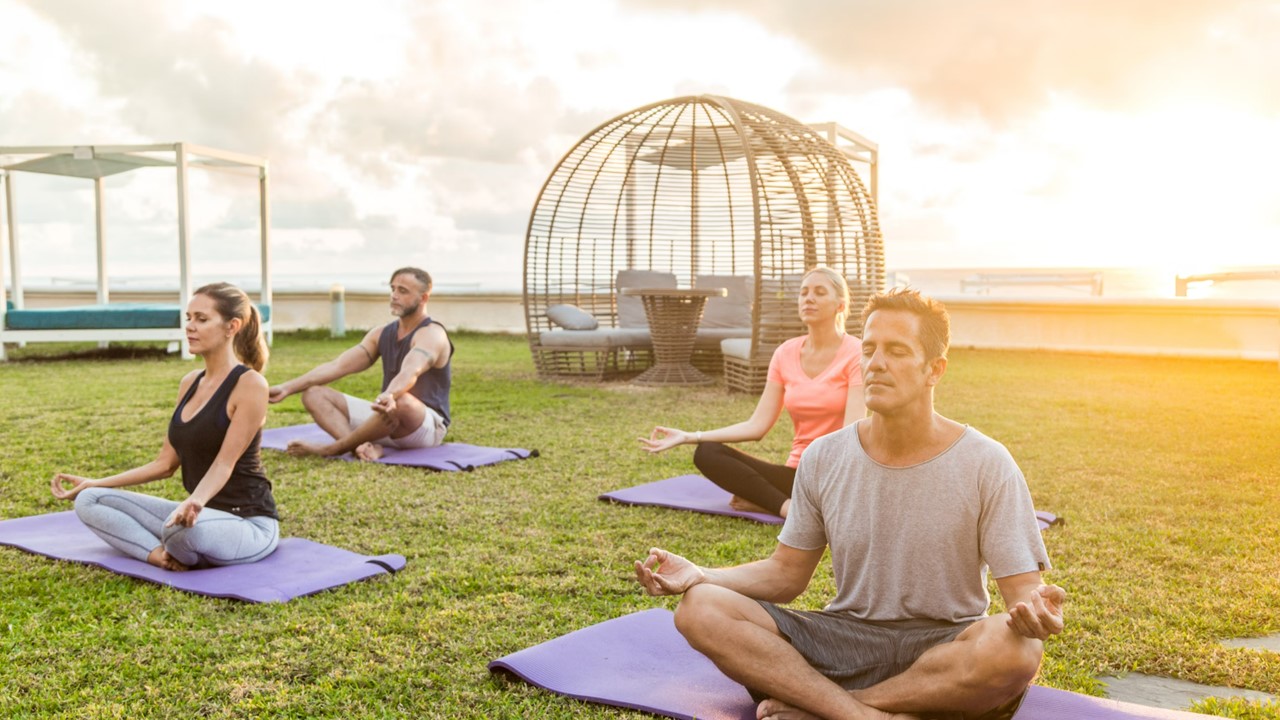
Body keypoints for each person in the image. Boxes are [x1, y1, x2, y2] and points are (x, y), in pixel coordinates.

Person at [634, 288, 1065, 720]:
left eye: (896, 351)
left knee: (1018, 650)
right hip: (844, 637)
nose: (876, 363)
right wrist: (701, 574)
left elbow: (1021, 594)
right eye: (870, 349)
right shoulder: (824, 456)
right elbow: (786, 574)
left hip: (946, 645)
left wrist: (1035, 610)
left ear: (935, 369)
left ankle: (826, 708)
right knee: (702, 607)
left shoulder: (987, 462)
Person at [50, 283, 279, 571]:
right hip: (198, 514)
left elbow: (224, 464)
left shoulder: (250, 384)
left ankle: (176, 543)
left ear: (232, 326)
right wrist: (95, 482)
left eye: (202, 319)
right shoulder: (190, 383)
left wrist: (195, 500)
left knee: (180, 531)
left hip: (248, 522)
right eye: (189, 318)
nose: (190, 327)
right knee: (89, 500)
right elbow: (165, 464)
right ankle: (159, 555)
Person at [640, 266, 864, 519]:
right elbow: (757, 426)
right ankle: (789, 509)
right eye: (804, 292)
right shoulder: (785, 353)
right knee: (708, 452)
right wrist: (689, 436)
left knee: (835, 484)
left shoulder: (856, 354)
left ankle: (774, 502)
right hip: (796, 475)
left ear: (841, 306)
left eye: (820, 292)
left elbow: (850, 439)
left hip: (836, 475)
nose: (808, 298)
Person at [268, 267, 453, 461]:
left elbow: (411, 370)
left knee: (403, 401)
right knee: (314, 394)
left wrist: (390, 394)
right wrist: (286, 388)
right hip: (386, 417)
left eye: (403, 291)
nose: (394, 296)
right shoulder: (381, 333)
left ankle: (334, 449)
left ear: (423, 298)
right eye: (393, 289)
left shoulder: (433, 334)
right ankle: (362, 447)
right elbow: (337, 366)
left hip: (423, 426)